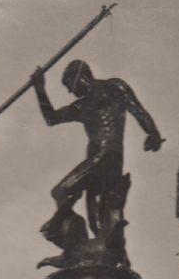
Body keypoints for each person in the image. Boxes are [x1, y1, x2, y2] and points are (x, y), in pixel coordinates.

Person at [31, 60, 163, 264]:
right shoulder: (81, 105)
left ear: (79, 77)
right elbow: (52, 118)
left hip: (106, 155)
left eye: (70, 87)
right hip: (97, 159)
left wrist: (152, 132)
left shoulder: (113, 87)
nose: (71, 93)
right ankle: (112, 259)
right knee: (98, 223)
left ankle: (73, 250)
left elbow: (137, 109)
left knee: (61, 191)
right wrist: (39, 89)